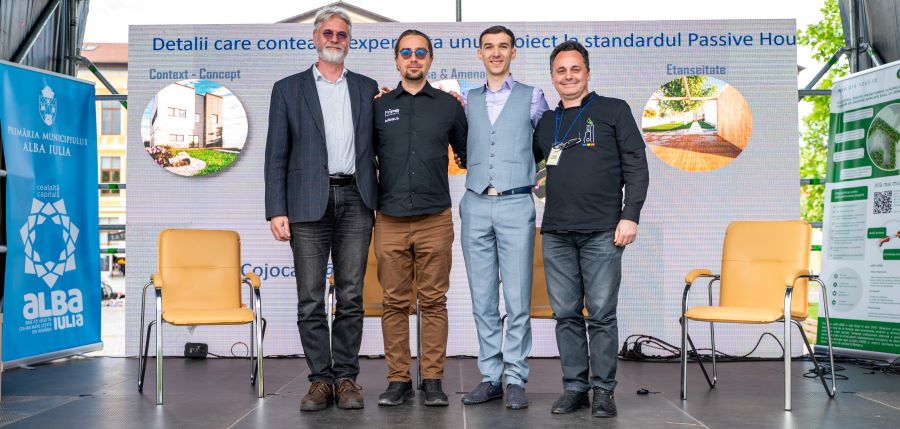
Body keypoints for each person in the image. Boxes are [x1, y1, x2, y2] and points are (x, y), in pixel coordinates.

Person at [263, 6, 379, 412]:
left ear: (350, 41)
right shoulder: (287, 89)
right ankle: (320, 381)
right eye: (327, 33)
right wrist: (276, 209)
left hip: (357, 199)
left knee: (351, 296)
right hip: (305, 203)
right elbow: (276, 154)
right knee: (310, 298)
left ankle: (346, 378)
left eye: (341, 34)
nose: (334, 39)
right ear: (315, 38)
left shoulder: (367, 88)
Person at [533, 41, 649, 418]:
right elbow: (534, 168)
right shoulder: (546, 122)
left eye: (575, 69)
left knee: (600, 314)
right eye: (561, 70)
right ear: (553, 77)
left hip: (603, 231)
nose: (568, 76)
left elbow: (636, 165)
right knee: (566, 314)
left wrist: (630, 215)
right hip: (557, 232)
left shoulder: (614, 110)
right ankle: (575, 388)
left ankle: (603, 391)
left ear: (587, 73)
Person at [372, 29, 467, 407]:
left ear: (430, 59)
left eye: (421, 52)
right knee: (394, 303)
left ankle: (432, 380)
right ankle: (398, 380)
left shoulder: (448, 106)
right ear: (397, 59)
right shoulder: (378, 106)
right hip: (390, 218)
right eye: (407, 52)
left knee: (433, 302)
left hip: (435, 219)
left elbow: (467, 154)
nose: (414, 58)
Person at [458, 25, 549, 410]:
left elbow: (547, 145)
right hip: (475, 203)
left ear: (514, 53)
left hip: (515, 203)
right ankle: (491, 376)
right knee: (482, 299)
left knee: (517, 298)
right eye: (489, 47)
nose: (496, 53)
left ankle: (515, 378)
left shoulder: (533, 97)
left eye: (503, 47)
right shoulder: (467, 99)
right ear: (479, 54)